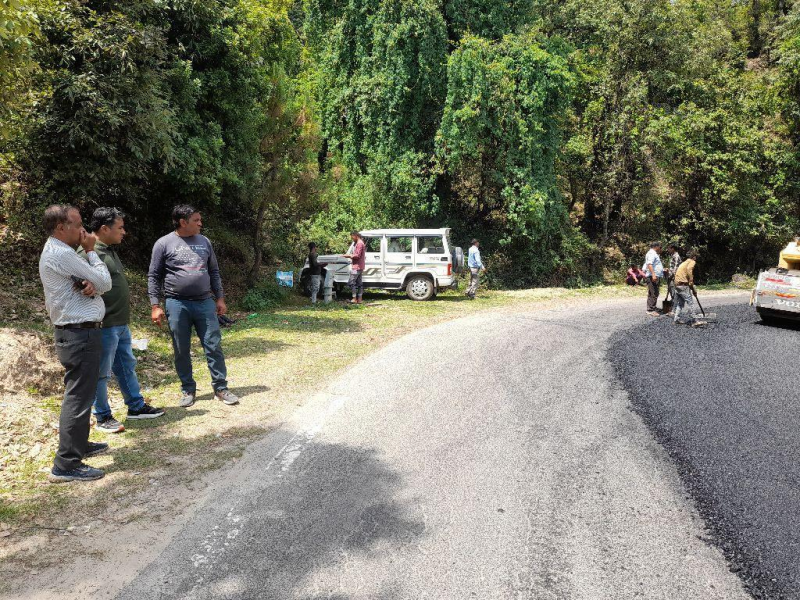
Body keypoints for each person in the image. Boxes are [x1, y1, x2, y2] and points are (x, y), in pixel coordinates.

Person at [39, 205, 112, 483]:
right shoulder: (61, 253)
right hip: (78, 334)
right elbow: (104, 281)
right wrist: (91, 251)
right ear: (61, 227)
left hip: (78, 333)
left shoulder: (61, 252)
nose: (84, 230)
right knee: (79, 396)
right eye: (78, 224)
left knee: (83, 393)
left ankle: (79, 445)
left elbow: (93, 285)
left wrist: (89, 286)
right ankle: (66, 464)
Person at [78, 208, 165, 433]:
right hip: (103, 324)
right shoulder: (87, 253)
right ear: (104, 229)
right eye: (120, 227)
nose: (124, 232)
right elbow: (80, 285)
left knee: (126, 365)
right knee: (101, 373)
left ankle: (136, 407)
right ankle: (103, 416)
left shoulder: (109, 250)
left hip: (120, 322)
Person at [148, 205, 239, 408]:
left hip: (204, 302)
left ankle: (221, 388)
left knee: (213, 345)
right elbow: (154, 276)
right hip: (176, 303)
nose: (200, 223)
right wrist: (155, 305)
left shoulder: (204, 241)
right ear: (183, 222)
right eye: (196, 220)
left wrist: (220, 298)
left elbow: (214, 271)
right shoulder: (163, 243)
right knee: (181, 348)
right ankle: (188, 389)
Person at [673, 250, 704, 327]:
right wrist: (691, 280)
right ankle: (694, 321)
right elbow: (689, 270)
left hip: (677, 284)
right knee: (690, 303)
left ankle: (676, 319)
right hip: (683, 285)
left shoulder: (684, 263)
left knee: (680, 303)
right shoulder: (692, 262)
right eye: (695, 256)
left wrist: (693, 289)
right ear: (694, 257)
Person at [343, 230, 365, 304]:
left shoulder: (359, 243)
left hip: (356, 267)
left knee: (351, 282)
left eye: (352, 237)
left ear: (356, 236)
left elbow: (357, 255)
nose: (352, 239)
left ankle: (354, 298)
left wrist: (348, 256)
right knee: (359, 283)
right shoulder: (360, 243)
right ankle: (360, 299)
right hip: (360, 267)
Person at [643, 241, 664, 316]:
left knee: (652, 292)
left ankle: (652, 307)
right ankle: (651, 310)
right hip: (652, 276)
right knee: (654, 293)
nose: (660, 248)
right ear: (656, 246)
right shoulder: (652, 253)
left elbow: (653, 265)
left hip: (653, 275)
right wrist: (653, 275)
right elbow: (649, 264)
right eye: (660, 247)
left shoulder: (653, 253)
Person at [665, 242, 682, 308]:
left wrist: (671, 276)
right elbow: (672, 267)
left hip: (674, 277)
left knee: (673, 290)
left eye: (669, 248)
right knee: (671, 290)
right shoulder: (672, 255)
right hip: (671, 276)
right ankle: (673, 305)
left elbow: (676, 268)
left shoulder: (676, 256)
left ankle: (675, 307)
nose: (668, 250)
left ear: (673, 249)